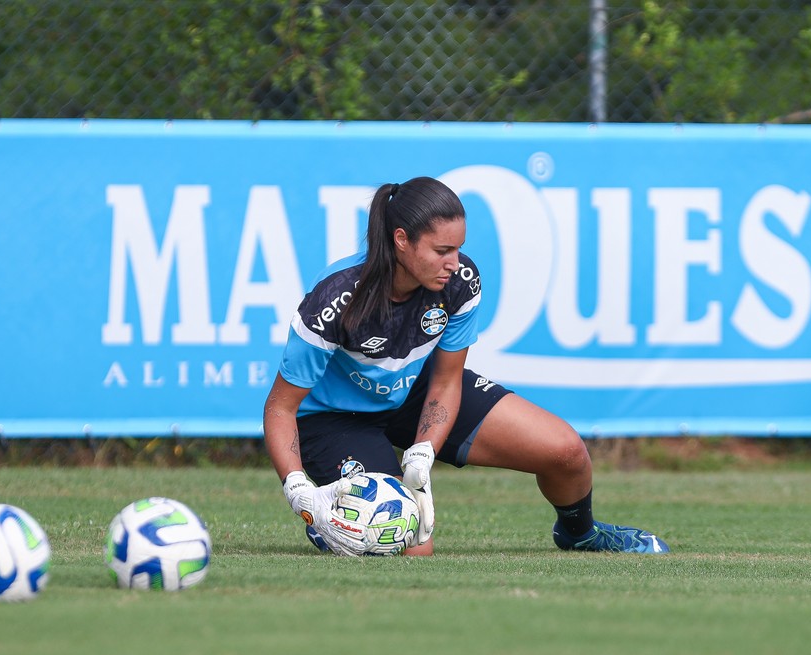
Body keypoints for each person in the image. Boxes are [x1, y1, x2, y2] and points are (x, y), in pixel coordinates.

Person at [262, 176, 669, 557]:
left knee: (566, 451)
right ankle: (332, 522)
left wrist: (422, 454)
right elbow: (280, 407)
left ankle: (581, 535)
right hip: (334, 418)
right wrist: (298, 489)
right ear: (401, 240)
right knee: (415, 548)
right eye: (441, 251)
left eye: (457, 249)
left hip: (413, 391)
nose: (454, 262)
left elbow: (445, 381)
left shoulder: (460, 281)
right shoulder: (337, 296)